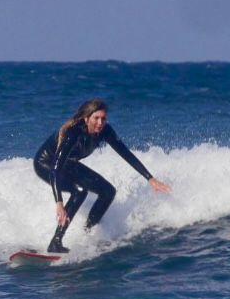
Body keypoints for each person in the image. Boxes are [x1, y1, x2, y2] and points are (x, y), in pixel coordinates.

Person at [34, 98, 170, 253]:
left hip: (67, 163)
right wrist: (59, 202)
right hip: (46, 164)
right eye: (96, 118)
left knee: (108, 191)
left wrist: (150, 178)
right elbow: (55, 169)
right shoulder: (73, 133)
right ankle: (55, 242)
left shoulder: (105, 131)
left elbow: (125, 153)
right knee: (79, 192)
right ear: (86, 118)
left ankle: (89, 234)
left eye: (103, 118)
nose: (100, 123)